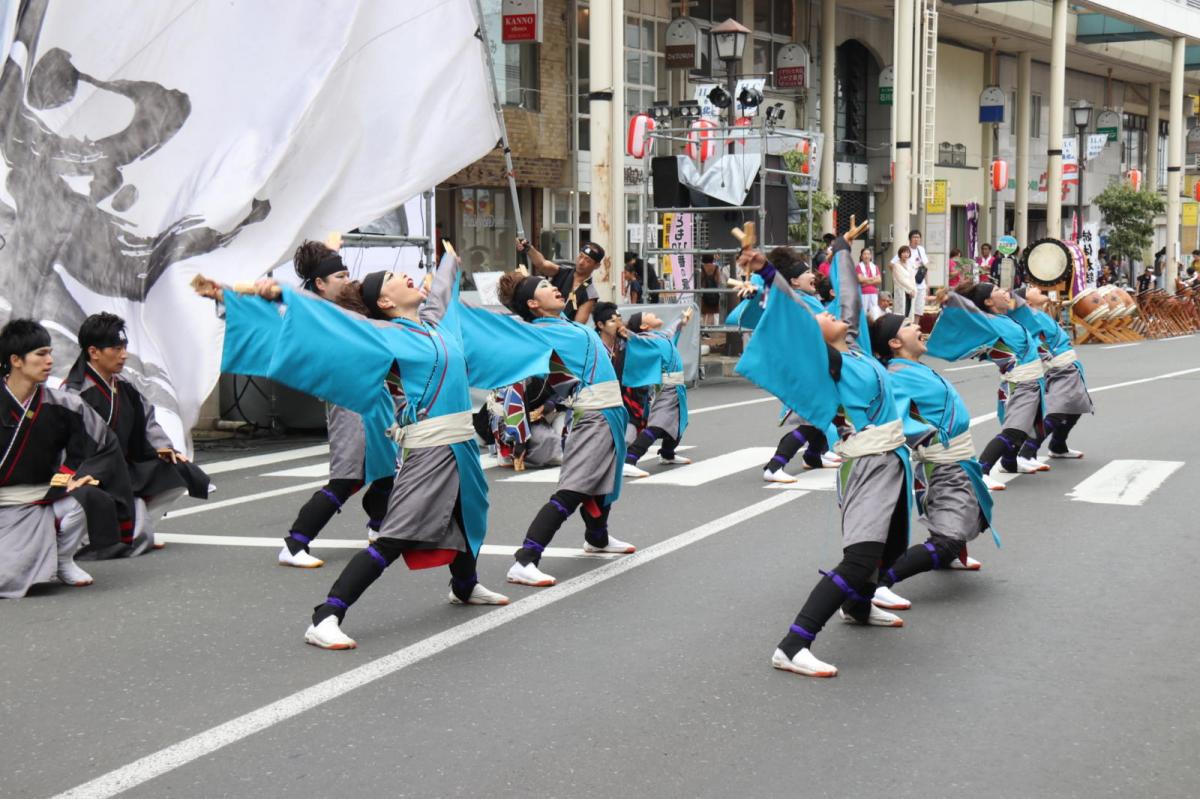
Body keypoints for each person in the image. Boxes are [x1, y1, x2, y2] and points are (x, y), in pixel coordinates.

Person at [196, 251, 529, 649]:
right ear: (385, 303)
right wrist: (271, 294)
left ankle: (465, 585)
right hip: (430, 451)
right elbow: (333, 320)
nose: (405, 276)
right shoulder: (384, 333)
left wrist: (450, 262)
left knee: (469, 514)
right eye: (392, 276)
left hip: (461, 448)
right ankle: (327, 615)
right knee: (394, 536)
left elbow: (440, 294)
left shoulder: (433, 325)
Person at [738, 221, 911, 678]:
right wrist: (766, 272)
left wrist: (842, 251)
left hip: (891, 459)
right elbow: (795, 313)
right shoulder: (828, 360)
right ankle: (794, 644)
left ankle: (858, 607)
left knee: (891, 549)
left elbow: (849, 298)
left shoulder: (855, 350)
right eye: (823, 315)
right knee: (858, 558)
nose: (831, 313)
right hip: (869, 464)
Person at [466, 269, 635, 588]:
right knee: (574, 489)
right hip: (594, 414)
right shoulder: (537, 332)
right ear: (533, 304)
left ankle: (597, 538)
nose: (554, 289)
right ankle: (525, 558)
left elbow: (580, 299)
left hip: (610, 411)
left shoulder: (562, 324)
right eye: (545, 287)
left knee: (602, 480)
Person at [266, 241, 395, 568]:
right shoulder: (312, 310)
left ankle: (379, 527)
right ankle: (295, 544)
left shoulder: (341, 308)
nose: (346, 279)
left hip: (372, 395)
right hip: (347, 398)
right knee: (347, 476)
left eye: (347, 273)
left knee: (384, 468)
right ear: (320, 283)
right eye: (339, 275)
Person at [867, 313, 998, 610]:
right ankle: (879, 582)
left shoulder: (910, 367)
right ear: (895, 342)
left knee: (969, 512)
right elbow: (894, 420)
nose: (918, 327)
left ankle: (949, 552)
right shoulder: (895, 375)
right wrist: (924, 441)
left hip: (956, 458)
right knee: (950, 536)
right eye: (909, 325)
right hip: (944, 463)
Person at [0, 320, 133, 597]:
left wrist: (72, 476)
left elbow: (103, 444)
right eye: (41, 354)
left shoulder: (64, 404)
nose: (50, 361)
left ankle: (63, 559)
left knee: (88, 496)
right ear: (16, 360)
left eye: (50, 353)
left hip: (43, 495)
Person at [64, 312, 211, 556]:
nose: (123, 355)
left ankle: (143, 526)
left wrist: (167, 449)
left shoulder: (123, 386)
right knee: (129, 533)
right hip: (91, 472)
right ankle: (90, 535)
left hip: (123, 465)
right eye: (115, 348)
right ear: (93, 352)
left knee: (182, 471)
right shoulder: (74, 393)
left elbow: (148, 423)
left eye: (124, 347)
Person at [927, 282, 1046, 481]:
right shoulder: (986, 322)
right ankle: (981, 470)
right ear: (988, 301)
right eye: (997, 291)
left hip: (1030, 379)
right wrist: (952, 299)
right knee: (1015, 430)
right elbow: (966, 313)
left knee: (1027, 426)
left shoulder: (1002, 318)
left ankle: (1009, 463)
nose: (1005, 292)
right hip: (1020, 382)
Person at [1009, 286, 1092, 462]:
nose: (1035, 287)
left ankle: (1058, 446)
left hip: (1066, 363)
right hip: (1056, 365)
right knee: (1058, 410)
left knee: (1075, 408)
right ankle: (1026, 452)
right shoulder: (1023, 314)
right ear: (1026, 302)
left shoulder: (1038, 313)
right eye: (1030, 289)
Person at [621, 309, 694, 478]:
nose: (653, 314)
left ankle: (667, 454)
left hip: (677, 387)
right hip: (668, 387)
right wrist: (624, 330)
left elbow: (672, 329)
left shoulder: (660, 336)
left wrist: (683, 320)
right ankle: (629, 460)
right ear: (644, 325)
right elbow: (634, 338)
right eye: (648, 314)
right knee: (659, 424)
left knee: (679, 421)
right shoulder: (645, 339)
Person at [518, 237, 603, 323]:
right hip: (537, 320)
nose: (581, 262)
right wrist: (529, 248)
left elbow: (578, 325)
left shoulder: (590, 294)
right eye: (580, 256)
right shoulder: (563, 271)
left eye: (587, 260)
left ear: (596, 266)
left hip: (561, 329)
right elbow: (542, 264)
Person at [890, 245, 917, 319]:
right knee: (901, 314)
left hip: (911, 292)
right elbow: (901, 280)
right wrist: (910, 289)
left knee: (909, 313)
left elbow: (912, 278)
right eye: (904, 252)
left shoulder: (910, 265)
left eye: (907, 252)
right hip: (902, 291)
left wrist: (913, 290)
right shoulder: (896, 265)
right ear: (900, 254)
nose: (906, 254)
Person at [698, 254, 726, 327]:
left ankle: (703, 328)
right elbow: (718, 280)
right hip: (714, 292)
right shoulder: (716, 267)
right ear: (712, 259)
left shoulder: (701, 268)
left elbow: (699, 280)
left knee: (704, 312)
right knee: (711, 311)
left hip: (704, 292)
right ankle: (708, 328)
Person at [907, 230, 930, 315]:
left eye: (918, 237)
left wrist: (927, 283)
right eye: (914, 237)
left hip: (921, 284)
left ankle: (916, 327)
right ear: (910, 239)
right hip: (910, 285)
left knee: (919, 311)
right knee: (910, 311)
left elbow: (926, 267)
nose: (916, 239)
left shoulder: (921, 249)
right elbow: (892, 264)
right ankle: (910, 327)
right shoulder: (906, 249)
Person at [856, 247, 882, 320]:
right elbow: (860, 279)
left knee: (874, 314)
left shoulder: (874, 266)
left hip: (873, 293)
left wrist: (865, 283)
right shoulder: (858, 266)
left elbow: (879, 280)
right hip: (863, 293)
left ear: (871, 256)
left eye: (868, 254)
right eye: (864, 254)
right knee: (863, 314)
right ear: (861, 256)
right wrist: (872, 279)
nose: (866, 256)